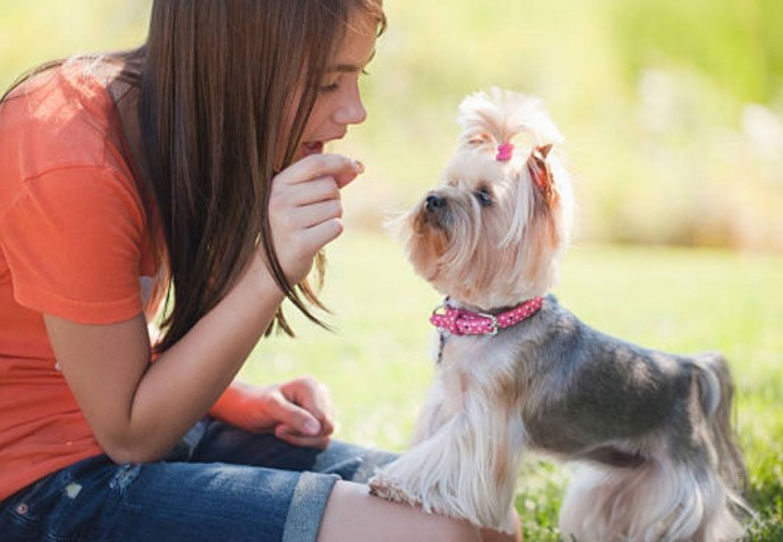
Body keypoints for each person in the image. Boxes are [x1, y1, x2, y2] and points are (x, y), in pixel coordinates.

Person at [0, 1, 522, 541]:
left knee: (485, 521)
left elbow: (102, 352)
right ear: (234, 67)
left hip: (131, 442)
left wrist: (234, 399)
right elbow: (130, 436)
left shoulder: (175, 130)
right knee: (440, 536)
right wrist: (270, 268)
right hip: (40, 487)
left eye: (357, 76)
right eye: (327, 84)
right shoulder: (69, 159)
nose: (355, 111)